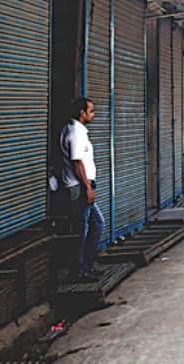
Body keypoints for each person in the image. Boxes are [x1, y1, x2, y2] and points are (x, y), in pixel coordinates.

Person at [60, 98, 105, 281]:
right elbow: (77, 163)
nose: (93, 114)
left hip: (80, 187)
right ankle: (79, 271)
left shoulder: (73, 129)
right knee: (82, 230)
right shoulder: (76, 132)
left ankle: (86, 266)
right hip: (79, 188)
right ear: (82, 113)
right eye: (91, 111)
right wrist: (88, 188)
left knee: (96, 225)